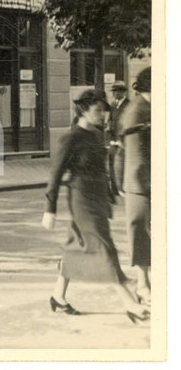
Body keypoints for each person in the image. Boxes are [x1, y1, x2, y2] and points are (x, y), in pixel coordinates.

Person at [43, 89, 149, 323]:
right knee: (103, 248)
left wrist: (110, 193)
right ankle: (129, 302)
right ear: (83, 110)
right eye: (97, 110)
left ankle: (58, 297)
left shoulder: (96, 135)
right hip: (81, 199)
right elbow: (55, 173)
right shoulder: (71, 138)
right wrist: (50, 208)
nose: (103, 115)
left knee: (75, 247)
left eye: (104, 110)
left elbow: (103, 169)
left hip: (97, 199)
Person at [120, 67, 152, 306]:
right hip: (140, 182)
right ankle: (142, 284)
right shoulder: (136, 112)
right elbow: (134, 155)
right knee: (140, 230)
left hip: (150, 179)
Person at [106, 81, 130, 197]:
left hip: (123, 140)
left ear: (123, 92)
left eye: (117, 91)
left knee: (122, 164)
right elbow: (111, 120)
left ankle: (122, 188)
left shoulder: (128, 105)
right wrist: (108, 126)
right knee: (111, 162)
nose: (115, 94)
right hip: (113, 138)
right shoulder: (113, 105)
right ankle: (114, 188)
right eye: (113, 92)